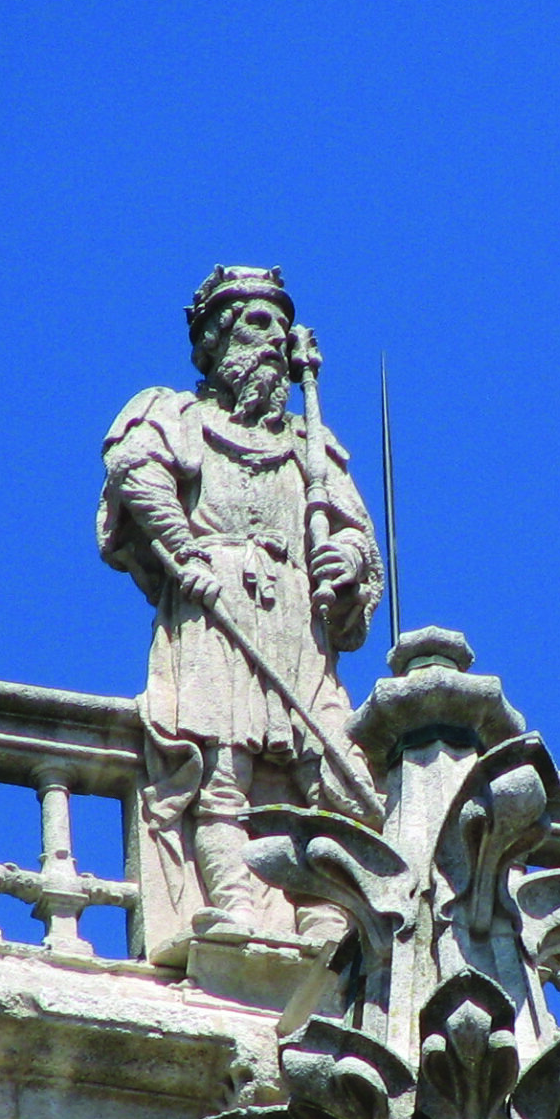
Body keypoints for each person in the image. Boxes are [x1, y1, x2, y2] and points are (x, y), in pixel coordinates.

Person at [100, 266, 383, 958]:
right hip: (218, 601)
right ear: (217, 341)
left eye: (280, 328)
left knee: (325, 770)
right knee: (222, 765)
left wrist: (346, 564)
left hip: (295, 618)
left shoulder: (313, 447)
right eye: (257, 324)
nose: (275, 341)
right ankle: (231, 902)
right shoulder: (174, 415)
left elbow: (357, 537)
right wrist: (185, 549)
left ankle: (325, 917)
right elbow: (136, 470)